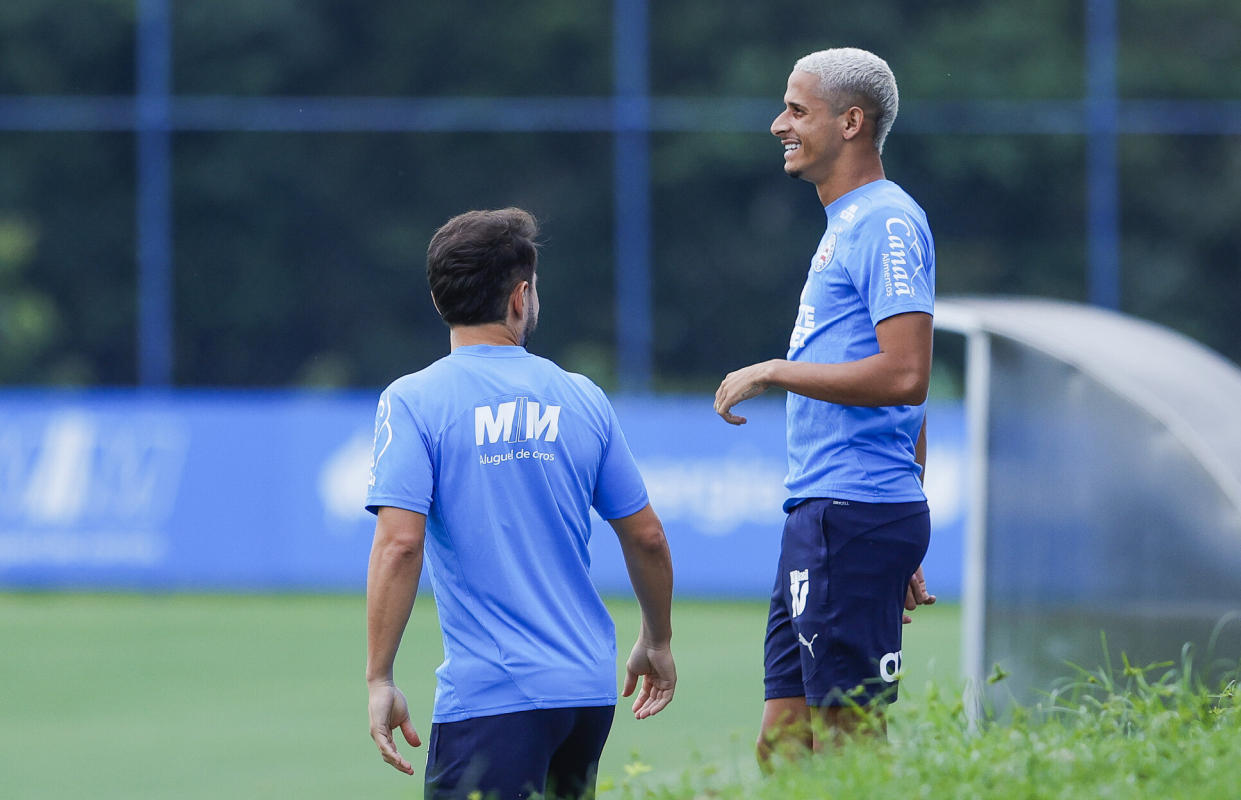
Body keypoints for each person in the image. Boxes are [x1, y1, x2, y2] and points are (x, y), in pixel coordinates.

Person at [365, 207, 676, 800]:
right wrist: (656, 641)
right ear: (520, 297)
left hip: (491, 698)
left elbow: (401, 543)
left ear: (439, 299)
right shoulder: (582, 397)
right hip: (586, 695)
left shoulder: (412, 401)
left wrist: (380, 677)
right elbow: (647, 538)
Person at [713, 48, 937, 763]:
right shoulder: (844, 223)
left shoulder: (885, 223)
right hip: (832, 512)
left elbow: (906, 376)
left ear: (850, 121)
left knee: (849, 746)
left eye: (796, 110)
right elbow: (911, 401)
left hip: (851, 513)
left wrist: (779, 370)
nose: (779, 123)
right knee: (782, 745)